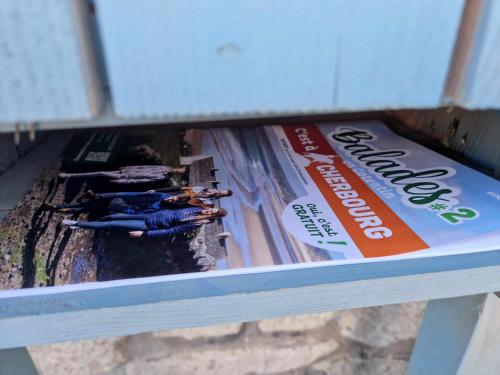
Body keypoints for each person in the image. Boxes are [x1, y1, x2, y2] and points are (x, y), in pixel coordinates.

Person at [61, 207, 227, 238]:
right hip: (148, 215)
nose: (207, 211)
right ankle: (80, 225)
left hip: (148, 226)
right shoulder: (195, 209)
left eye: (210, 214)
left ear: (209, 219)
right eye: (210, 209)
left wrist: (145, 234)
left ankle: (75, 223)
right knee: (113, 217)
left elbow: (169, 232)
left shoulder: (194, 223)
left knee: (110, 224)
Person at [58, 165, 186, 184]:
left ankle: (69, 176)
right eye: (177, 170)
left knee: (101, 173)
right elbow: (144, 167)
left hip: (125, 177)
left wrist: (123, 181)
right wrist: (128, 167)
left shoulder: (162, 177)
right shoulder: (164, 167)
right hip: (127, 171)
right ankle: (70, 175)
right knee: (100, 173)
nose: (175, 172)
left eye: (177, 173)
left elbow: (141, 180)